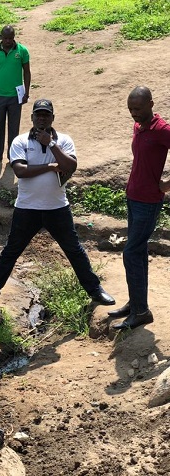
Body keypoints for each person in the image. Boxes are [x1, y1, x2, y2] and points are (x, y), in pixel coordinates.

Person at [0, 99, 115, 306]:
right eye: (38, 114)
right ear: (31, 118)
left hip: (57, 208)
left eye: (46, 115)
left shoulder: (63, 140)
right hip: (27, 208)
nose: (41, 118)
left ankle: (95, 291)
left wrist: (51, 144)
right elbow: (20, 171)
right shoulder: (20, 141)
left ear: (52, 118)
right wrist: (50, 166)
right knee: (11, 250)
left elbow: (70, 166)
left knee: (74, 250)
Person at [109, 86, 170, 330]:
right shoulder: (140, 126)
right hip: (133, 197)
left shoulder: (162, 130)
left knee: (131, 252)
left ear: (151, 105)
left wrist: (166, 184)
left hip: (148, 201)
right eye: (130, 109)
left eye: (138, 109)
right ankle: (136, 304)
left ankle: (141, 311)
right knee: (138, 251)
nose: (133, 114)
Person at [0, 25, 31, 164]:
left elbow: (27, 72)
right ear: (1, 37)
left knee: (14, 127)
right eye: (5, 38)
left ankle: (13, 156)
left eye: (10, 38)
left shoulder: (22, 51)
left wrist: (26, 92)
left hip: (16, 96)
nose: (8, 41)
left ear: (14, 37)